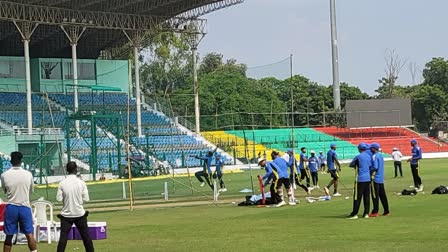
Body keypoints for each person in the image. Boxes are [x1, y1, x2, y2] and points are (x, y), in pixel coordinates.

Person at [0, 152, 37, 252]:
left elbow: (5, 190)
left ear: (11, 161)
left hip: (11, 206)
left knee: (9, 236)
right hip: (24, 206)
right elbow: (31, 191)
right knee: (29, 234)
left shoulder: (4, 175)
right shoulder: (28, 174)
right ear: (21, 161)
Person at [56, 162, 94, 252]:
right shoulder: (81, 183)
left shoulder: (62, 183)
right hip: (79, 213)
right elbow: (87, 199)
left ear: (67, 170)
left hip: (66, 214)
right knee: (86, 238)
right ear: (76, 170)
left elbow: (58, 199)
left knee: (63, 239)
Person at [347, 143, 371, 220]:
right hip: (368, 179)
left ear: (359, 149)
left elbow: (351, 164)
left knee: (357, 197)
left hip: (360, 179)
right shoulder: (368, 156)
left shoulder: (358, 156)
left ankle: (355, 213)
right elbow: (370, 165)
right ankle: (366, 213)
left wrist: (356, 166)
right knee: (366, 197)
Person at [369, 143, 390, 217]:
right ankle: (386, 210)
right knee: (383, 195)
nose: (370, 149)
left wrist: (369, 172)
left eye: (371, 148)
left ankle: (375, 211)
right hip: (381, 178)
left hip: (375, 178)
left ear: (374, 148)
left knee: (375, 195)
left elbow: (375, 167)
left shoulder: (374, 156)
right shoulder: (380, 155)